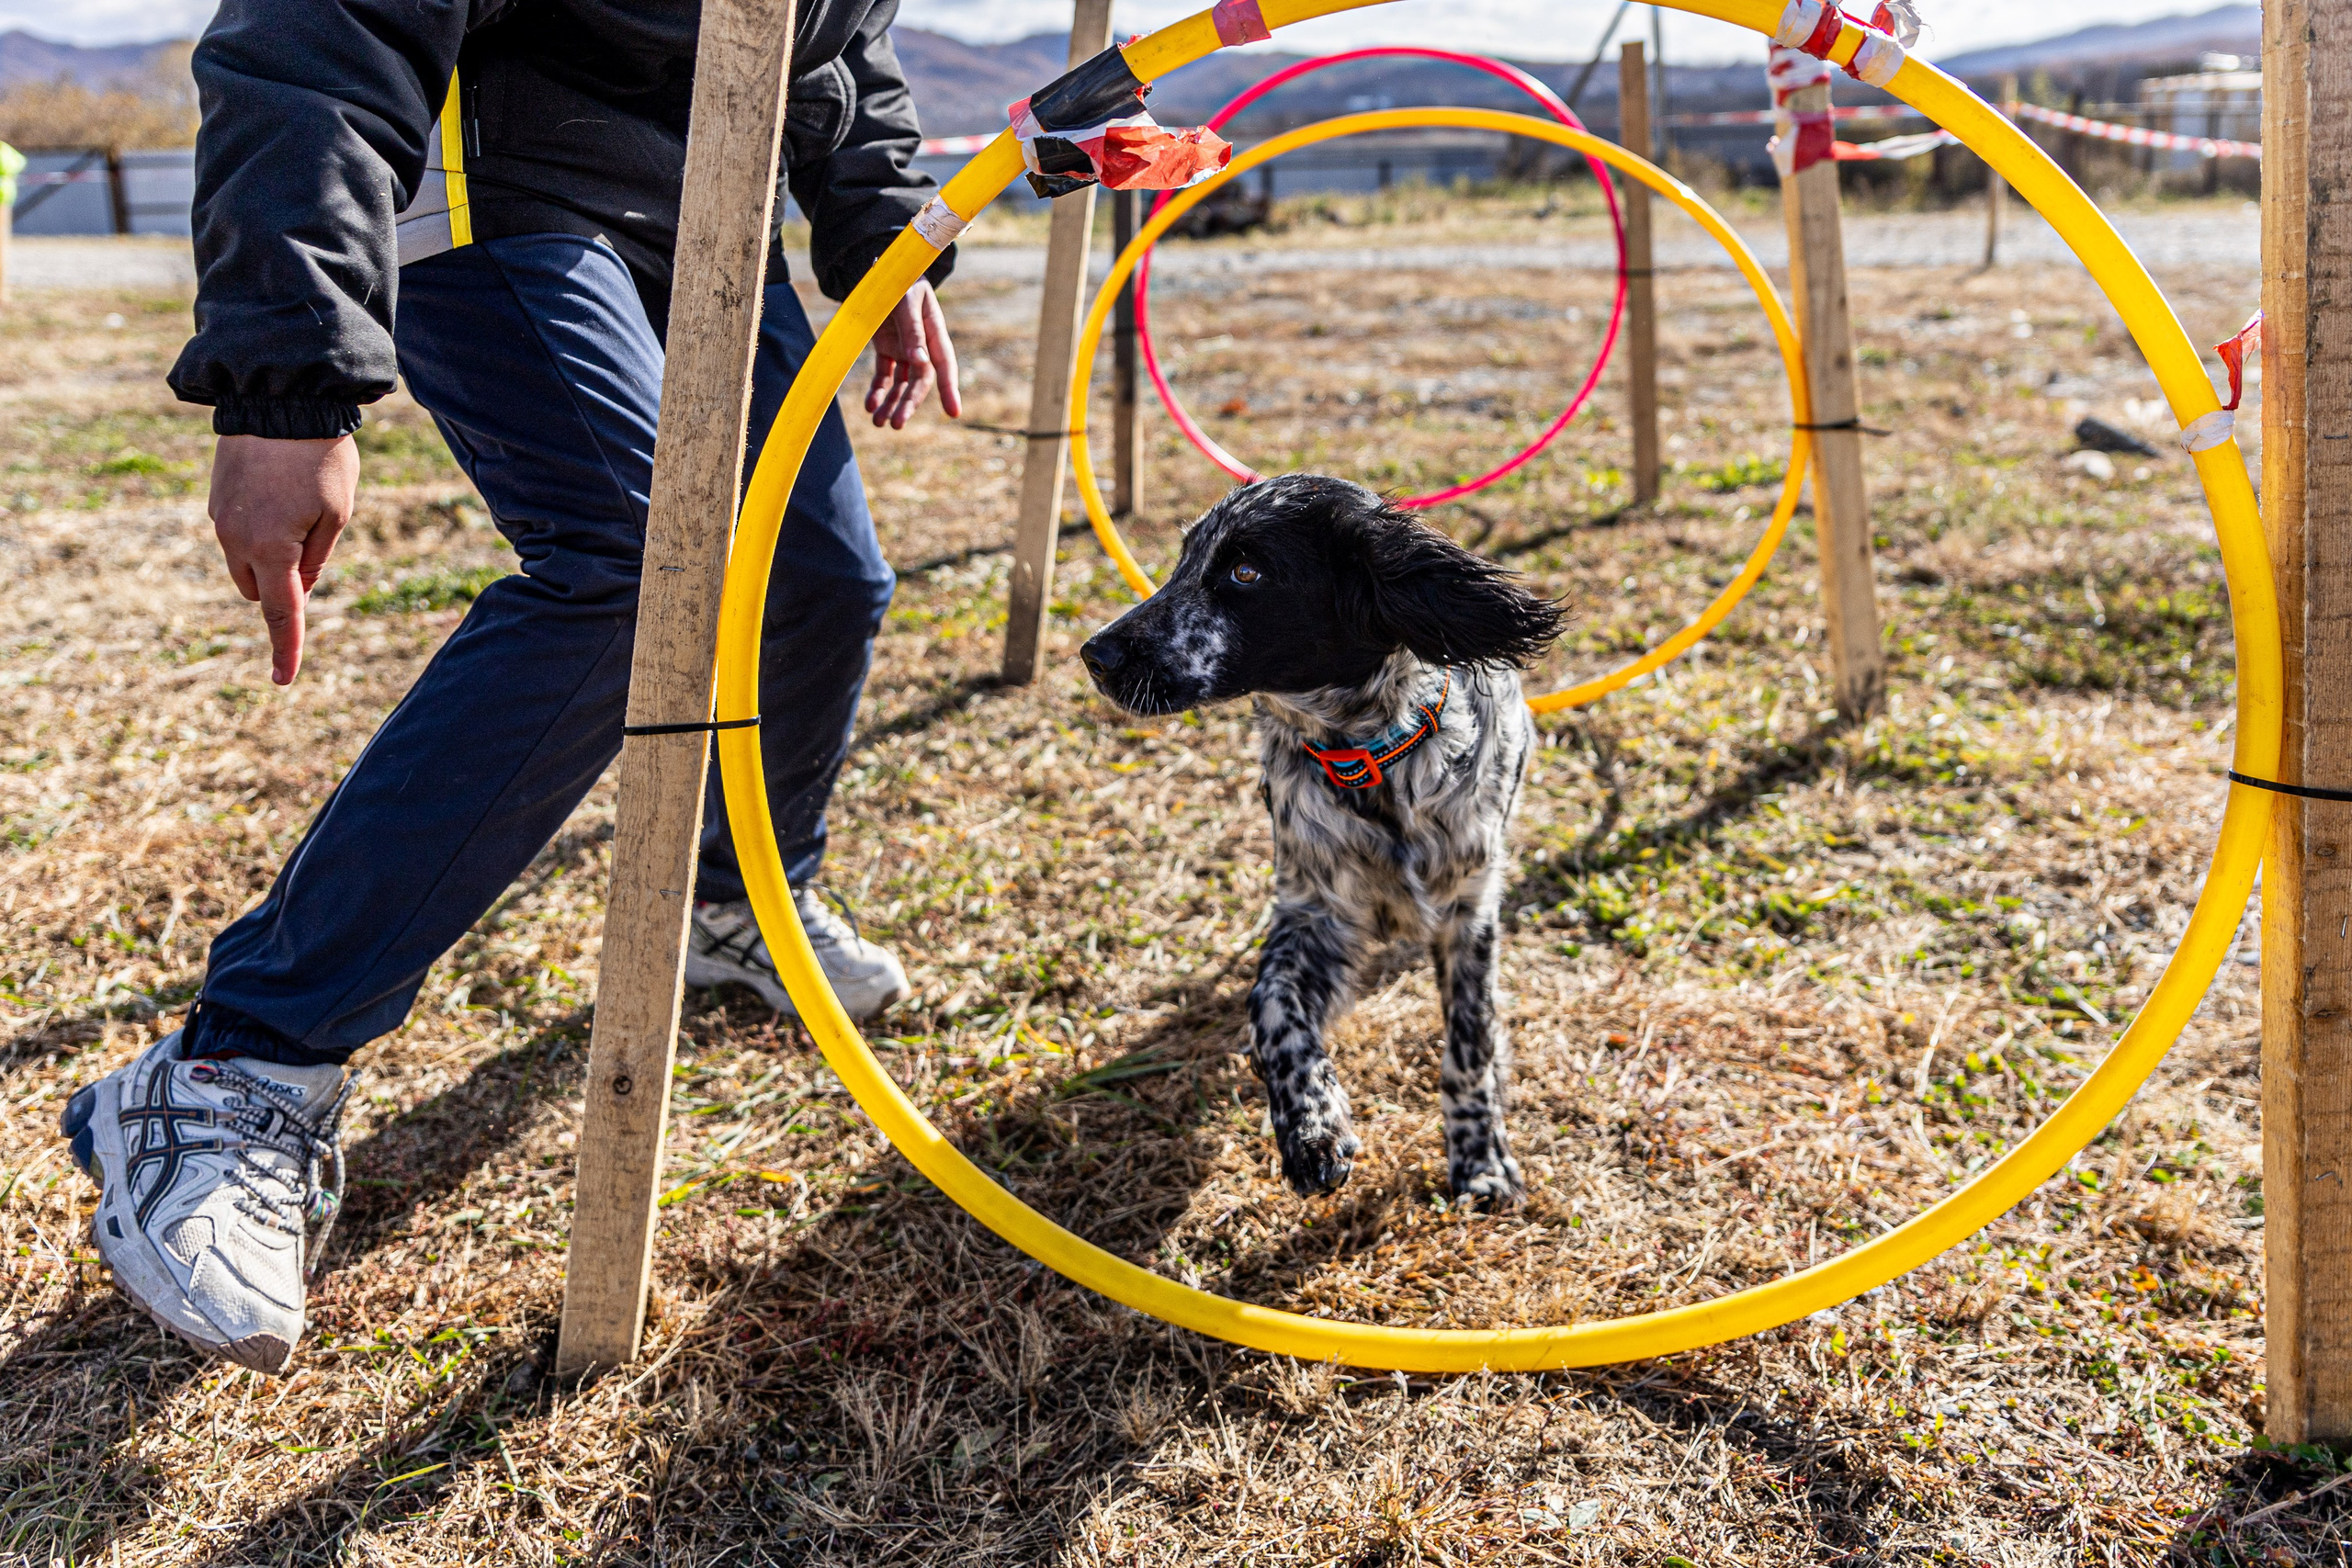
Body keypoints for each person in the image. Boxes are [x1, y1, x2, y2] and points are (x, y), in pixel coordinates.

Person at [58, 0, 960, 1374]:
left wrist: (886, 244)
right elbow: (319, 27)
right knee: (643, 572)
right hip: (501, 180)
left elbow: (841, 43)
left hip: (710, 200)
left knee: (824, 579)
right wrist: (288, 386)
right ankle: (236, 1066)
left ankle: (739, 904)